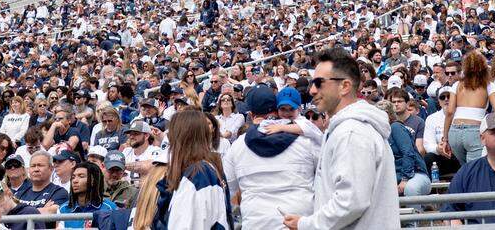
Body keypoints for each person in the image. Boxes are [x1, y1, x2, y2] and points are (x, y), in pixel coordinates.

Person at [283, 48, 397, 230]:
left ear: (344, 86)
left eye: (319, 83)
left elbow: (351, 202)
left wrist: (305, 224)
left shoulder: (351, 132)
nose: (312, 90)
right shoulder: (345, 128)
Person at [224, 85, 317, 230]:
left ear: (251, 114)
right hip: (299, 220)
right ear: (276, 109)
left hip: (258, 222)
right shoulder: (307, 139)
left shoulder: (237, 146)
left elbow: (230, 188)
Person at [164, 109, 231, 229]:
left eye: (173, 133)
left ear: (182, 137)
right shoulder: (203, 169)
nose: (169, 138)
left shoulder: (197, 176)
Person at [443, 50, 490, 165]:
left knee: (466, 170)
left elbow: (449, 112)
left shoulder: (457, 85)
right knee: (475, 171)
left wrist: (445, 138)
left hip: (454, 132)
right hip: (474, 130)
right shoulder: (488, 85)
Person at [376, 100, 431, 198]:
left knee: (411, 188)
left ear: (389, 115)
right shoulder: (378, 133)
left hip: (415, 174)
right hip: (393, 176)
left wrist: (405, 179)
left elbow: (408, 153)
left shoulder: (395, 127)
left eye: (382, 114)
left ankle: (417, 212)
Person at [58, 162, 117, 228]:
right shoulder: (63, 209)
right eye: (73, 177)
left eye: (81, 176)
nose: (75, 181)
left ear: (93, 181)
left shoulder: (110, 208)